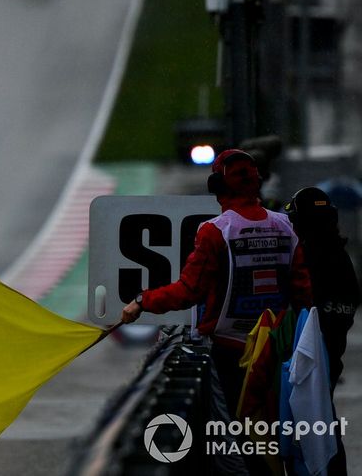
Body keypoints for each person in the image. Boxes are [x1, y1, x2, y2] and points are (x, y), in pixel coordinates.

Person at [121, 149, 313, 473]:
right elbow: (304, 293)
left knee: (241, 440)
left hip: (231, 354)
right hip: (281, 350)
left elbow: (188, 291)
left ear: (217, 187)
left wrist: (142, 302)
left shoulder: (215, 231)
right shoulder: (287, 226)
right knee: (278, 432)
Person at [284, 186, 359, 476]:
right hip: (331, 348)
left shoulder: (310, 256)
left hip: (315, 351)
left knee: (314, 420)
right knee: (321, 415)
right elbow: (351, 300)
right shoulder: (338, 253)